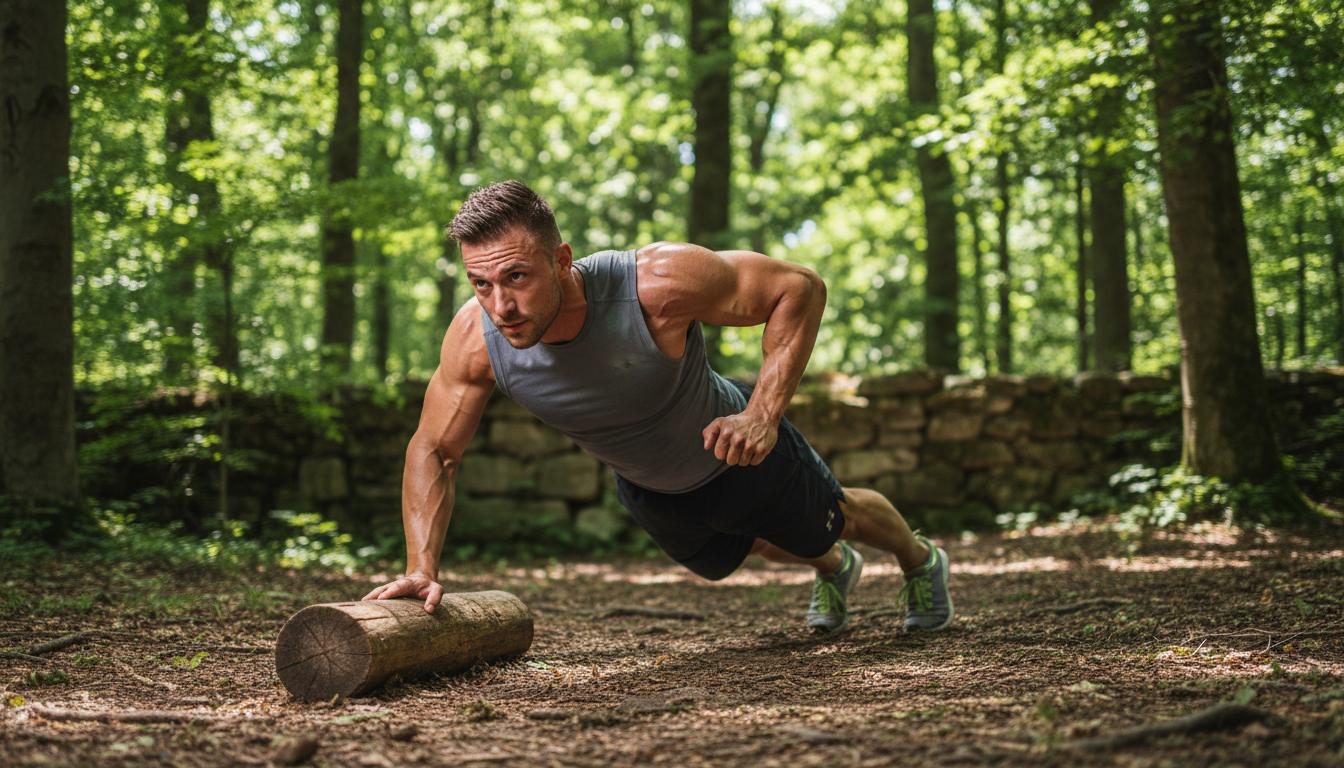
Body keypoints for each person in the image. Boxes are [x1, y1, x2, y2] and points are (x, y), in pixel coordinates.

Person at [363, 180, 953, 634]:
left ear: (562, 260)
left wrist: (763, 415)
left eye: (516, 277)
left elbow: (798, 287)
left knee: (835, 517)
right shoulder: (474, 340)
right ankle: (832, 566)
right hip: (649, 487)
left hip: (738, 449)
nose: (501, 305)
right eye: (481, 284)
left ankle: (920, 559)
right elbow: (435, 449)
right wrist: (422, 567)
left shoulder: (654, 284)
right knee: (746, 547)